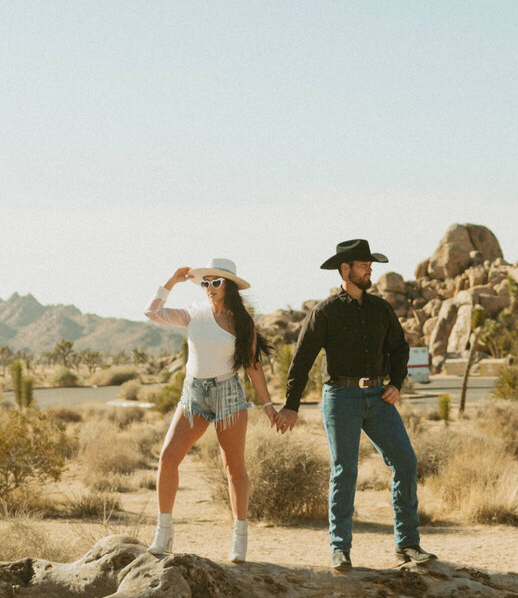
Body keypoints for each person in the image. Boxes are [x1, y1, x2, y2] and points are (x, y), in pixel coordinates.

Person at [277, 239, 436, 572]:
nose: (370, 270)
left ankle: (407, 545)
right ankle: (340, 549)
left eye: (370, 265)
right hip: (340, 398)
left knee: (405, 461)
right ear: (345, 268)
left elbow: (399, 348)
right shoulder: (325, 311)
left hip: (378, 398)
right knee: (345, 472)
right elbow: (302, 358)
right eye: (364, 265)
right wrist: (291, 405)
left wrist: (396, 383)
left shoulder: (381, 308)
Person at [144, 258, 277, 562]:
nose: (209, 288)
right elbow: (152, 313)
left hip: (228, 394)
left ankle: (239, 538)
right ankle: (163, 532)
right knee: (167, 458)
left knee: (234, 469)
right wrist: (171, 281)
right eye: (205, 282)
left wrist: (268, 406)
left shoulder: (243, 323)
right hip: (194, 394)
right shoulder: (193, 314)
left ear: (228, 286)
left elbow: (253, 367)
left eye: (215, 282)